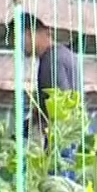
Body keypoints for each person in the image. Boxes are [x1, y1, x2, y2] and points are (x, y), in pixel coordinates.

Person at [17, 11, 81, 146]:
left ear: (29, 34)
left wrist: (40, 122)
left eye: (17, 39)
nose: (17, 47)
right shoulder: (63, 54)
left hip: (62, 139)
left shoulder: (52, 60)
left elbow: (60, 104)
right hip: (70, 134)